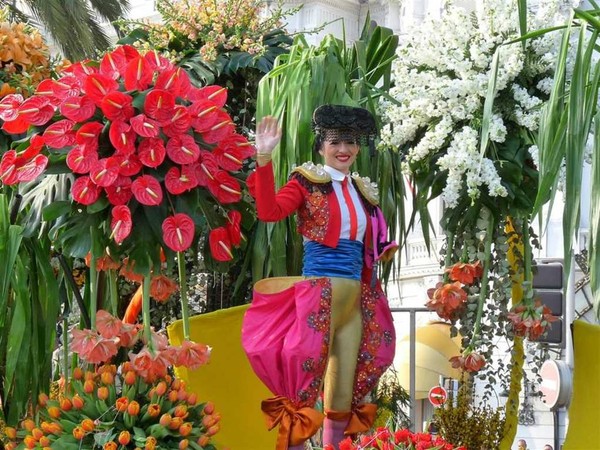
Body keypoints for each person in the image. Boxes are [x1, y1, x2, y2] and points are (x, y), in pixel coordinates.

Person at [242, 104, 398, 450]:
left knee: (342, 393)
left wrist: (383, 250)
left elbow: (369, 241)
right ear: (321, 146)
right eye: (335, 143)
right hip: (321, 293)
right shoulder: (306, 182)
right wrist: (264, 157)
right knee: (303, 387)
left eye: (351, 143)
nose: (344, 150)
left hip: (355, 299)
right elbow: (269, 212)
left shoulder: (364, 190)